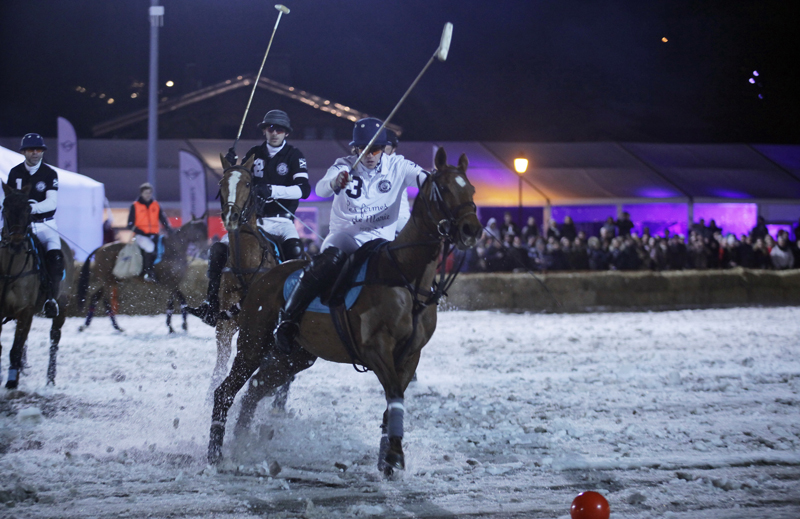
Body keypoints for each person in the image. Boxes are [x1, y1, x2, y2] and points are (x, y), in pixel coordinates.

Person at [273, 117, 429, 354]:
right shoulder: (343, 164)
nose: (368, 155)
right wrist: (335, 181)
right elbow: (320, 189)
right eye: (362, 149)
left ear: (383, 149)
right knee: (328, 260)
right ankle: (288, 320)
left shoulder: (398, 165)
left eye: (375, 149)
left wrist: (442, 179)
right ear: (354, 148)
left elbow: (426, 180)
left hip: (382, 242)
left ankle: (413, 328)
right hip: (347, 237)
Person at [192, 110, 310, 326]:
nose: (274, 133)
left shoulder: (294, 155)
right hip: (253, 222)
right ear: (265, 131)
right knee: (218, 250)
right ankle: (211, 305)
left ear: (286, 133)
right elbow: (239, 179)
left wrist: (273, 190)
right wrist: (230, 166)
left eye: (279, 129)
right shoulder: (254, 153)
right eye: (270, 128)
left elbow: (304, 190)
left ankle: (294, 311)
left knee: (295, 253)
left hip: (281, 222)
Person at [5, 133, 63, 317]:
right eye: (31, 150)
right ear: (23, 152)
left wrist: (31, 208)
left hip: (45, 226)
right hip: (20, 227)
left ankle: (51, 300)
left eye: (38, 150)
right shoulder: (15, 172)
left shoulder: (49, 173)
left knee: (55, 258)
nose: (35, 153)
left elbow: (52, 203)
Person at [128, 182, 171, 282]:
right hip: (141, 235)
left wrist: (169, 229)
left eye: (149, 193)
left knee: (161, 250)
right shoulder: (135, 206)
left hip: (154, 235)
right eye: (146, 193)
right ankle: (148, 272)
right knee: (150, 247)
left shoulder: (155, 205)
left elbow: (162, 218)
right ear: (141, 193)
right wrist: (142, 232)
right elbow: (130, 224)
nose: (148, 195)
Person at [385, 129, 411, 236]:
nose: (380, 148)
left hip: (399, 221)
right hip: (374, 222)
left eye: (385, 145)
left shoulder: (400, 164)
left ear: (393, 148)